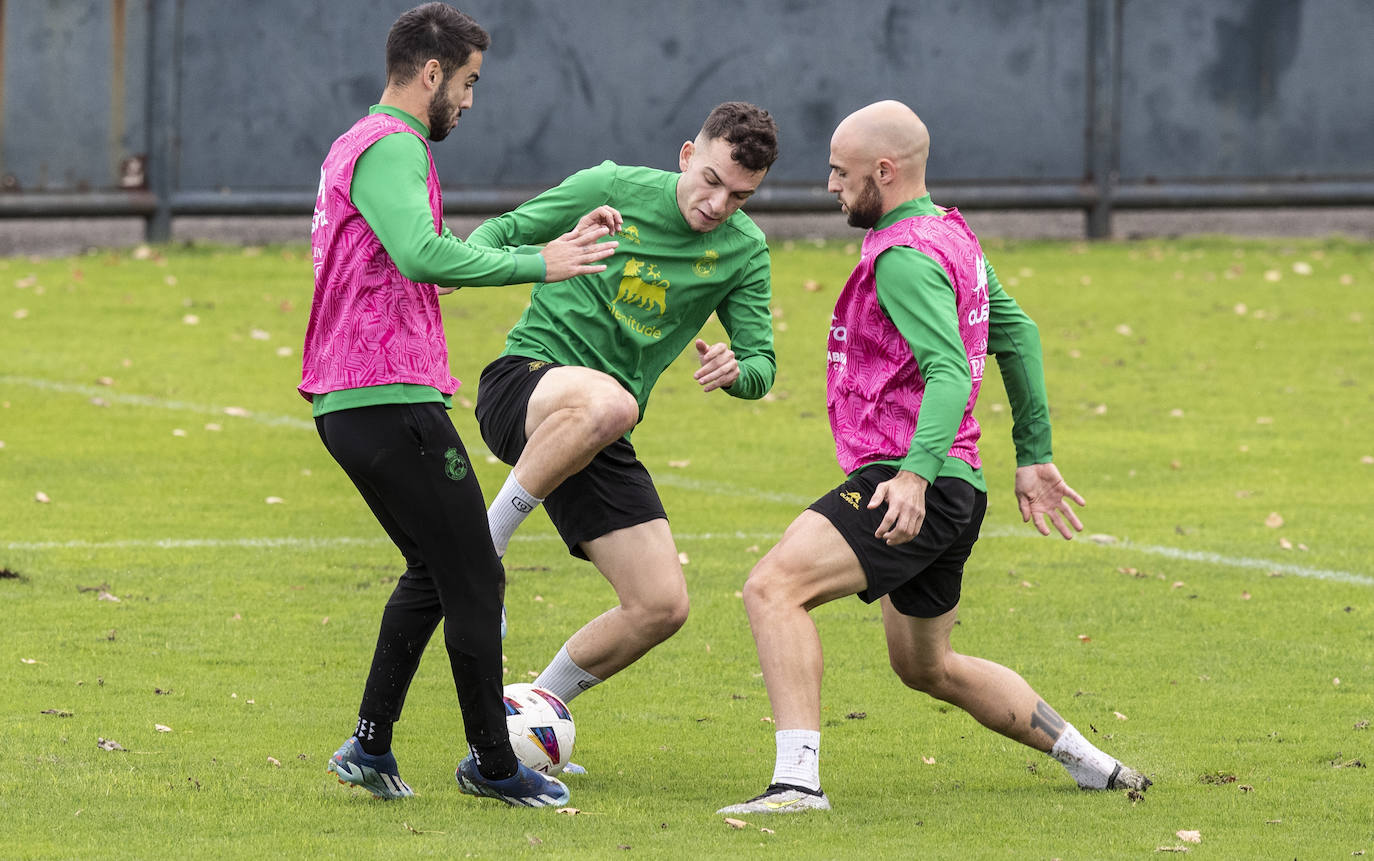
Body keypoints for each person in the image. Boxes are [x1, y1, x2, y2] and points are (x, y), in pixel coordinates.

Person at [717, 100, 1151, 815]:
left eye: (840, 171)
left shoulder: (904, 258)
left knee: (772, 589)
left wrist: (914, 473)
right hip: (958, 487)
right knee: (926, 665)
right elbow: (1019, 334)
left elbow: (949, 370)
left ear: (884, 172)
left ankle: (797, 783)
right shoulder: (951, 236)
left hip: (909, 478)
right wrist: (1033, 454)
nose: (829, 185)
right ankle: (1094, 763)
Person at [301, 2, 618, 808]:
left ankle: (369, 745)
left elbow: (429, 266)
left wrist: (551, 249)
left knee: (435, 572)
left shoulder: (360, 143)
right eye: (469, 83)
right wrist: (544, 263)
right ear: (432, 72)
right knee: (475, 572)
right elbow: (419, 253)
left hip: (355, 401)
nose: (472, 101)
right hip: (387, 397)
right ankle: (493, 762)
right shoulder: (395, 146)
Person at [466, 103, 780, 746]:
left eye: (741, 196)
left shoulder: (744, 251)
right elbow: (497, 235)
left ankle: (529, 718)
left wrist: (735, 370)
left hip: (602, 429)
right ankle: (483, 545)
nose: (720, 205)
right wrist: (468, 267)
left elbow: (762, 364)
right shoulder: (610, 187)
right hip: (523, 383)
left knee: (661, 605)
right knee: (612, 403)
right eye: (713, 181)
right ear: (687, 155)